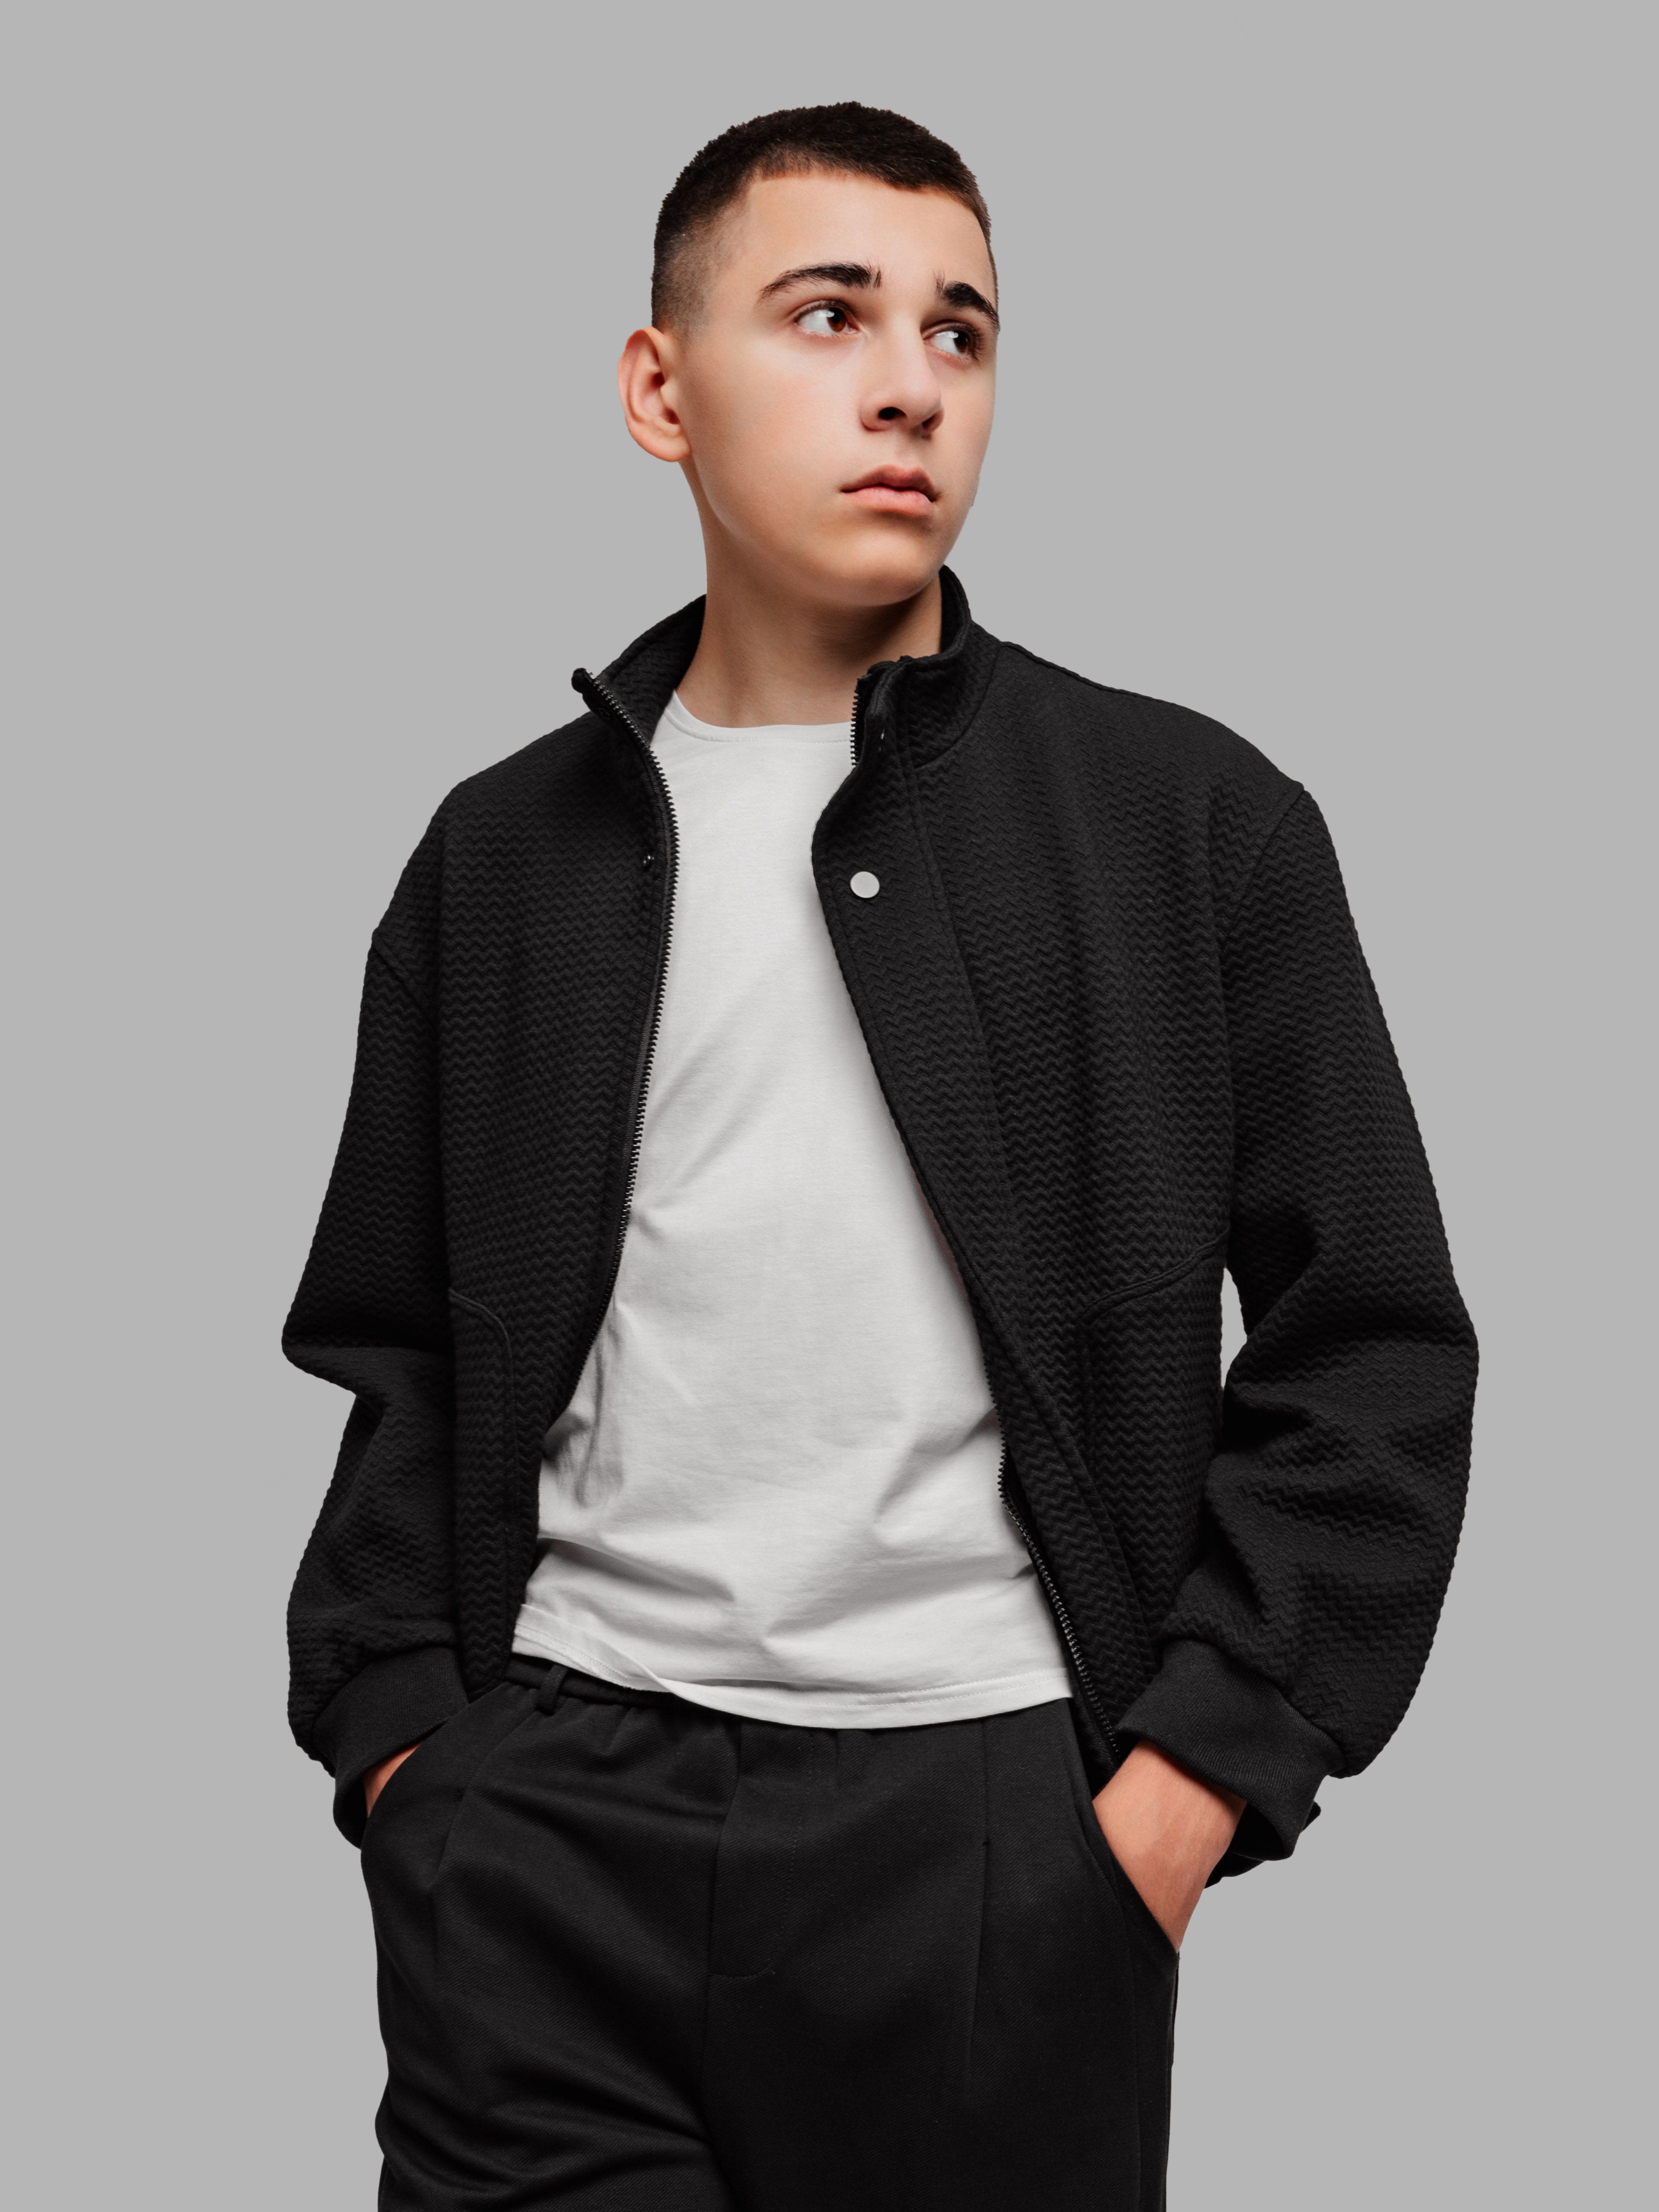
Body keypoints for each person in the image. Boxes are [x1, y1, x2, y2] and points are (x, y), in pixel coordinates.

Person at [284, 102, 1476, 2212]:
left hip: (996, 1841)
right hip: (546, 1825)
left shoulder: (1194, 824)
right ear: (661, 389)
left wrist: (1177, 1798)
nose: (910, 384)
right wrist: (409, 1759)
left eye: (960, 330)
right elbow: (394, 1339)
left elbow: (1371, 1342)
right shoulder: (498, 858)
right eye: (827, 315)